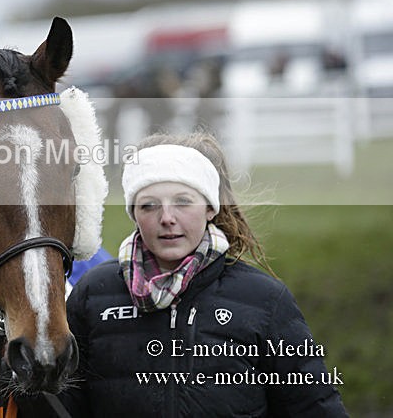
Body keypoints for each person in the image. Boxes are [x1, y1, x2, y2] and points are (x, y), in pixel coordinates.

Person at [19, 132, 348, 417]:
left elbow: (314, 405)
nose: (167, 218)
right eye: (149, 205)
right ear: (134, 213)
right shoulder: (94, 294)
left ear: (209, 208)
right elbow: (59, 407)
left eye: (183, 202)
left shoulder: (264, 300)